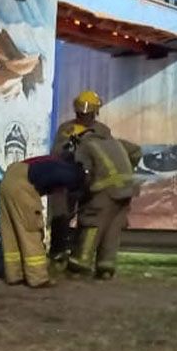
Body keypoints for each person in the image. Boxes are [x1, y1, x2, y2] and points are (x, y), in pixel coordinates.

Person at [48, 89, 113, 269]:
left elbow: (107, 155)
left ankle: (79, 254)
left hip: (89, 180)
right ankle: (58, 251)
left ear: (94, 112)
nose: (83, 115)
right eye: (80, 112)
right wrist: (69, 148)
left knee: (86, 217)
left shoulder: (102, 131)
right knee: (61, 214)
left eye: (87, 112)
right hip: (65, 177)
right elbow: (56, 153)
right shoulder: (66, 129)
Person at [0, 154, 85, 287]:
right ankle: (38, 278)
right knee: (31, 230)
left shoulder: (53, 162)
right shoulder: (68, 173)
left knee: (11, 233)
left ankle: (14, 275)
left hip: (7, 181)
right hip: (23, 187)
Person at [68, 126, 141, 280]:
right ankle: (106, 267)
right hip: (127, 190)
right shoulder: (116, 142)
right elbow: (136, 151)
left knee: (92, 224)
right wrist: (128, 168)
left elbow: (84, 172)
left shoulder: (85, 146)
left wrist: (82, 193)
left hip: (104, 191)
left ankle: (80, 264)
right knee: (113, 228)